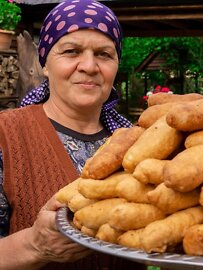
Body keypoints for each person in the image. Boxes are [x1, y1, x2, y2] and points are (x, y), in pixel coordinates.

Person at [0, 0, 144, 269]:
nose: (89, 66)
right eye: (71, 51)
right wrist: (33, 245)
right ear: (45, 63)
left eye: (104, 54)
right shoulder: (5, 136)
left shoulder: (139, 143)